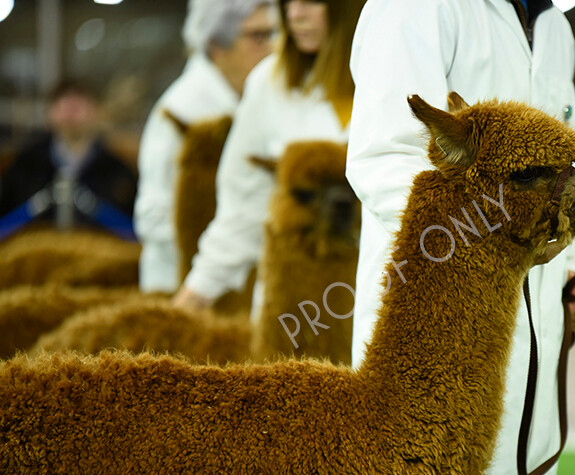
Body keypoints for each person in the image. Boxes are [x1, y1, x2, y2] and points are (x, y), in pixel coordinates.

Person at [346, 1, 575, 475]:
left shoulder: (554, 25)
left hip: (528, 296)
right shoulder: (413, 7)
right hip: (439, 303)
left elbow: (563, 166)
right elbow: (388, 155)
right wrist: (487, 238)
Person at [172, 0, 366, 312]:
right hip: (295, 306)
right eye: (287, 2)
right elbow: (243, 203)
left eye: (312, 1)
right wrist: (197, 292)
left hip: (380, 290)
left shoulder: (395, 82)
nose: (295, 14)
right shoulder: (270, 83)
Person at [134, 0, 278, 293]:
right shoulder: (181, 112)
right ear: (217, 47)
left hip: (237, 286)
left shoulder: (256, 98)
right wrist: (217, 252)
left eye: (275, 34)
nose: (271, 47)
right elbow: (152, 215)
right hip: (178, 287)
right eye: (258, 37)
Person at [0, 80, 137, 230]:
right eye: (62, 101)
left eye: (80, 101)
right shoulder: (24, 167)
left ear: (96, 111)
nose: (71, 110)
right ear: (49, 113)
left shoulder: (119, 173)